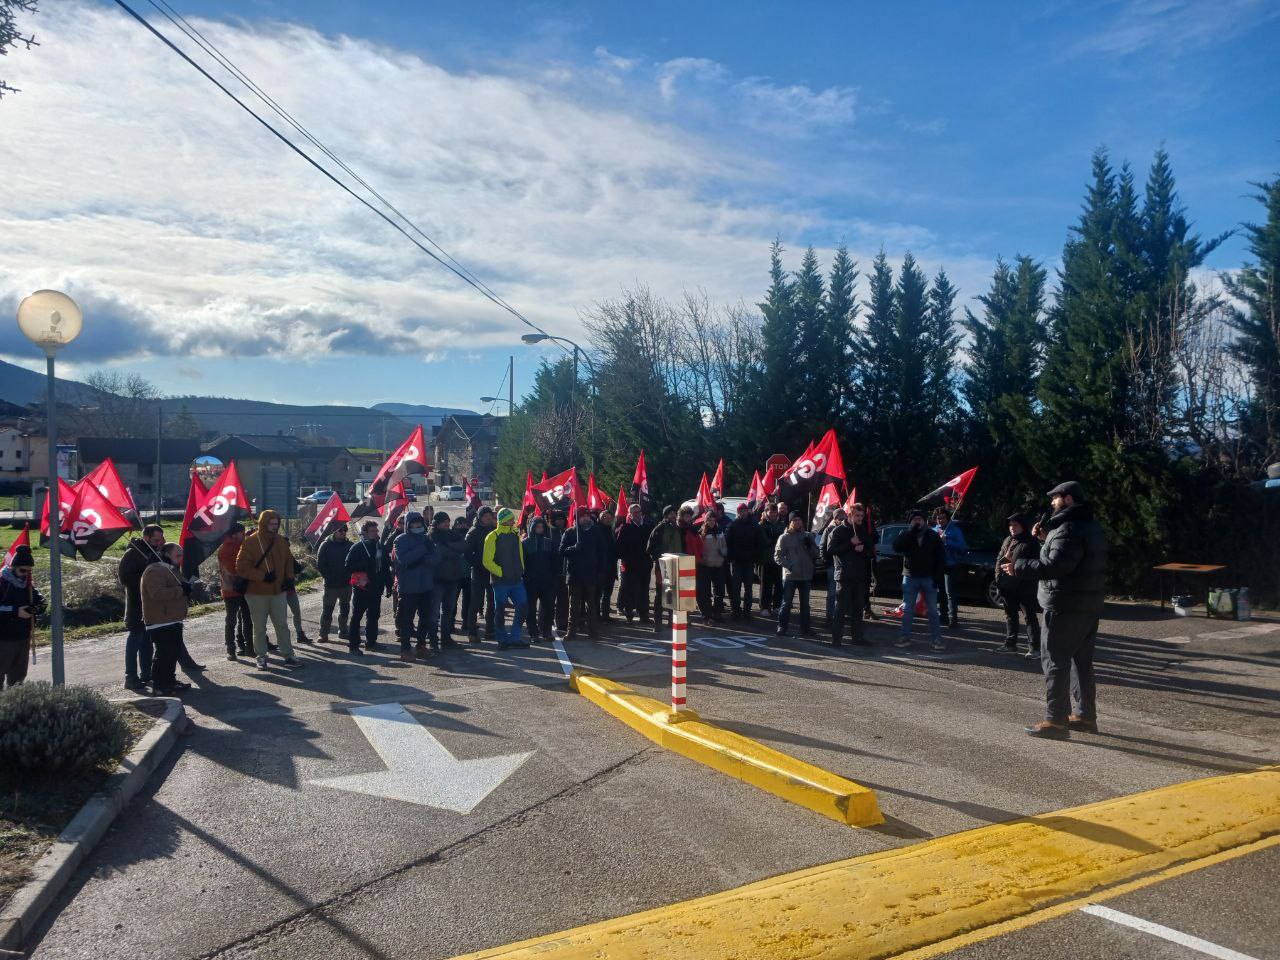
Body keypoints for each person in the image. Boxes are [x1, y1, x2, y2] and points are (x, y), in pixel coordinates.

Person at [1002, 481, 1108, 740]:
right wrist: (1045, 538)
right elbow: (1067, 559)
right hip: (1088, 604)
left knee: (1054, 661)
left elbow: (1055, 567)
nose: (1052, 503)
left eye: (1055, 498)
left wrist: (1019, 566)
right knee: (1080, 662)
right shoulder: (1091, 525)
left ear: (1068, 499)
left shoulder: (1067, 528)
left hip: (1064, 605)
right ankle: (1084, 716)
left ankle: (1056, 721)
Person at [236, 509, 300, 668]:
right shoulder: (250, 542)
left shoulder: (281, 541)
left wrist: (289, 579)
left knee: (282, 625)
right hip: (257, 593)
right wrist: (262, 576)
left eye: (276, 524)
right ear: (264, 523)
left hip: (279, 591)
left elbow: (288, 562)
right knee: (259, 627)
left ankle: (288, 655)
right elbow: (241, 567)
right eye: (271, 524)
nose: (274, 527)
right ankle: (261, 656)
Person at [141, 542, 192, 695]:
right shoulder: (154, 570)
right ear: (167, 555)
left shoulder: (169, 569)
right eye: (178, 555)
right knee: (163, 654)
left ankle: (169, 681)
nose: (181, 558)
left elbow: (178, 586)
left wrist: (186, 587)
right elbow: (157, 593)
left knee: (173, 652)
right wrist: (181, 590)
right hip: (160, 620)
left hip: (173, 618)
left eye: (182, 555)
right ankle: (159, 686)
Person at [892, 510, 946, 652]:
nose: (917, 521)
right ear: (910, 522)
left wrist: (938, 578)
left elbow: (941, 558)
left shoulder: (933, 536)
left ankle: (937, 639)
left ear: (925, 521)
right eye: (914, 519)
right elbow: (896, 547)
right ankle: (905, 637)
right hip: (910, 577)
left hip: (929, 577)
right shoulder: (905, 535)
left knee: (933, 610)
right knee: (908, 609)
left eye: (920, 519)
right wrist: (910, 532)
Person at [119, 524, 165, 690]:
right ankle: (130, 676)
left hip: (150, 605)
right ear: (146, 537)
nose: (158, 543)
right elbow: (124, 578)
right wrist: (145, 577)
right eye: (155, 540)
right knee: (135, 640)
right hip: (136, 605)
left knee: (147, 642)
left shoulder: (154, 552)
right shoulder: (132, 553)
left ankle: (147, 674)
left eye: (160, 540)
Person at [393, 510, 440, 661]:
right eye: (414, 523)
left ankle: (421, 645)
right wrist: (423, 551)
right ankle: (405, 649)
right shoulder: (400, 540)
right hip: (408, 587)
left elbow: (436, 559)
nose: (417, 525)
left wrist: (422, 558)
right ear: (408, 524)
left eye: (419, 522)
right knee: (407, 620)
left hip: (426, 585)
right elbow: (405, 560)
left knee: (425, 617)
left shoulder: (427, 539)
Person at [826, 503, 873, 647]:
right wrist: (850, 544)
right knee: (840, 608)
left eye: (861, 516)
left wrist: (862, 550)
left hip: (859, 575)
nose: (860, 518)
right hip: (844, 575)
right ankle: (836, 639)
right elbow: (830, 550)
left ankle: (857, 637)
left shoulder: (863, 530)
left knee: (858, 608)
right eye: (857, 516)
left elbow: (870, 551)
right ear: (850, 515)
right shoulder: (838, 530)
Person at [996, 513, 1041, 657]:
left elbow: (1036, 564)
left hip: (1025, 586)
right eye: (1010, 525)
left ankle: (1034, 648)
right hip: (1007, 585)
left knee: (1029, 617)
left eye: (1015, 525)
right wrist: (998, 579)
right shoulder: (1007, 540)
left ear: (1022, 526)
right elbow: (999, 560)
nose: (1012, 528)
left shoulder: (1031, 542)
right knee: (1010, 615)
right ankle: (1010, 644)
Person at [483, 507, 528, 648]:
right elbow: (487, 561)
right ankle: (502, 640)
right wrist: (501, 572)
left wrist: (521, 569)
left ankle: (514, 638)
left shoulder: (515, 535)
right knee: (500, 612)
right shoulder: (492, 537)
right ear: (504, 520)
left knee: (523, 606)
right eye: (510, 519)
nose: (513, 521)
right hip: (500, 582)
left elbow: (520, 554)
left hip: (516, 581)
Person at [559, 508, 608, 640]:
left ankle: (593, 632)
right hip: (574, 575)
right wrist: (574, 548)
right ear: (577, 518)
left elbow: (602, 553)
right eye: (583, 516)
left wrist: (601, 571)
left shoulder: (596, 531)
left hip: (591, 575)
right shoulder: (570, 532)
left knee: (591, 605)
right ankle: (571, 632)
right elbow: (562, 551)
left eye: (587, 516)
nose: (586, 518)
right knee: (573, 606)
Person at [0, 544, 43, 689]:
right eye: (23, 570)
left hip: (23, 638)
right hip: (4, 639)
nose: (26, 574)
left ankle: (15, 706)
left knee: (18, 678)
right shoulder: (2, 583)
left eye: (29, 571)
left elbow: (40, 602)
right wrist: (15, 611)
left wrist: (38, 607)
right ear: (13, 567)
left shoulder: (28, 585)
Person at [345, 519, 387, 654]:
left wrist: (389, 584)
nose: (375, 533)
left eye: (376, 530)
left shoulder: (380, 547)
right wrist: (364, 564)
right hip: (361, 589)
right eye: (372, 531)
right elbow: (348, 566)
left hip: (376, 588)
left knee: (374, 616)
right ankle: (353, 646)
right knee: (357, 617)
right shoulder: (357, 547)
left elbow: (385, 568)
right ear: (365, 532)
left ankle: (371, 642)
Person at [774, 512, 818, 638]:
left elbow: (816, 554)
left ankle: (806, 629)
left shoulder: (808, 535)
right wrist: (789, 566)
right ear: (790, 522)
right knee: (786, 603)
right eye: (795, 520)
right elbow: (778, 556)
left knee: (805, 605)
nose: (798, 522)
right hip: (790, 576)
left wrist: (809, 545)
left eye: (799, 520)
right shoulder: (784, 537)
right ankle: (782, 627)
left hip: (805, 576)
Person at [430, 512, 467, 647]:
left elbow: (464, 546)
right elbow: (439, 552)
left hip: (453, 578)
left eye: (447, 521)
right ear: (437, 523)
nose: (446, 523)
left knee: (448, 610)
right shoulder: (431, 536)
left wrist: (448, 546)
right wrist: (453, 549)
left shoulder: (453, 534)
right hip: (437, 579)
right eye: (443, 521)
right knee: (434, 612)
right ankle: (433, 638)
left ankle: (446, 638)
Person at [646, 504, 684, 634]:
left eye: (674, 513)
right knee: (659, 595)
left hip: (676, 565)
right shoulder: (659, 529)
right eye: (670, 513)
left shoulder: (678, 529)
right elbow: (650, 548)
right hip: (662, 566)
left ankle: (671, 620)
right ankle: (657, 623)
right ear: (666, 515)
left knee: (672, 594)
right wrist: (660, 557)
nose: (673, 516)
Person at [614, 503, 652, 623]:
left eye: (639, 512)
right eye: (634, 512)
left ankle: (644, 615)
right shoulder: (625, 528)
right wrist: (627, 558)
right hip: (631, 565)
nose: (637, 515)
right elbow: (619, 548)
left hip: (645, 565)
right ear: (630, 515)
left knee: (644, 590)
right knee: (630, 590)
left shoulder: (648, 527)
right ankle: (629, 614)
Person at [218, 523, 251, 660]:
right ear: (234, 534)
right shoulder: (226, 549)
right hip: (231, 589)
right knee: (232, 620)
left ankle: (247, 647)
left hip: (245, 587)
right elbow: (234, 569)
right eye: (242, 533)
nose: (244, 535)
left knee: (247, 619)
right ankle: (231, 649)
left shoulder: (242, 545)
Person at [521, 516, 557, 641]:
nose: (540, 529)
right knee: (530, 609)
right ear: (532, 527)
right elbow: (522, 563)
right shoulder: (525, 543)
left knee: (549, 607)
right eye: (537, 526)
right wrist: (525, 577)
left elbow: (554, 562)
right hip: (531, 581)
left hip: (547, 581)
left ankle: (546, 631)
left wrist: (553, 577)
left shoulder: (549, 542)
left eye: (542, 527)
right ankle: (533, 633)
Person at [725, 502, 763, 620]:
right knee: (735, 588)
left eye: (745, 510)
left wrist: (755, 556)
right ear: (738, 512)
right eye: (741, 511)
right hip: (736, 562)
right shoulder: (733, 525)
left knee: (749, 588)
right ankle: (736, 610)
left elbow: (760, 542)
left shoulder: (754, 525)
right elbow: (727, 543)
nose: (743, 513)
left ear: (748, 511)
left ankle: (747, 611)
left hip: (749, 561)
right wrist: (730, 558)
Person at [464, 506, 497, 642]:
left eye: (490, 515)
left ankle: (490, 630)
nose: (488, 518)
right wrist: (478, 563)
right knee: (476, 603)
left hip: (493, 571)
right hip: (478, 572)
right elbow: (466, 553)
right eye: (485, 516)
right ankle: (472, 632)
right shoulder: (473, 532)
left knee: (492, 603)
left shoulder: (494, 530)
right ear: (479, 517)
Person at [316, 523, 352, 644]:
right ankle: (323, 634)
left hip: (346, 583)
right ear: (333, 532)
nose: (342, 532)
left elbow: (354, 562)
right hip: (331, 585)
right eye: (340, 530)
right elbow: (320, 564)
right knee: (327, 610)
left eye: (344, 530)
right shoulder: (325, 545)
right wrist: (328, 577)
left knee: (345, 608)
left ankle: (343, 631)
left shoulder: (350, 545)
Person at [934, 508, 968, 629]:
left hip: (950, 565)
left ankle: (953, 619)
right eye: (938, 518)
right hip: (937, 566)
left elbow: (963, 547)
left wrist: (946, 541)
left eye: (943, 517)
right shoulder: (934, 530)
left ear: (948, 518)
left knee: (950, 593)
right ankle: (942, 616)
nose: (941, 520)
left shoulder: (954, 530)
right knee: (940, 592)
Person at [696, 511, 728, 623]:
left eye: (714, 520)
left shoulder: (720, 532)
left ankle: (717, 613)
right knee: (705, 591)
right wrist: (703, 559)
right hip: (705, 566)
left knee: (719, 591)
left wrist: (723, 553)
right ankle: (707, 614)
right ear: (706, 521)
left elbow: (724, 547)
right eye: (710, 520)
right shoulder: (701, 534)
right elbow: (699, 550)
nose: (712, 522)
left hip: (718, 565)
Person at [758, 502, 785, 617]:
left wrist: (775, 540)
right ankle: (764, 606)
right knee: (765, 584)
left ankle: (777, 606)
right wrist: (773, 540)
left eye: (775, 512)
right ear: (766, 512)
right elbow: (763, 541)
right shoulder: (761, 525)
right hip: (766, 559)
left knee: (779, 584)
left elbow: (783, 540)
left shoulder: (782, 524)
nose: (773, 514)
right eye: (771, 512)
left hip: (779, 559)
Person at [819, 508, 846, 625]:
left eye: (844, 518)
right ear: (835, 519)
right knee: (832, 593)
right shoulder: (829, 529)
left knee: (842, 593)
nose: (843, 520)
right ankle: (830, 617)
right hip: (832, 565)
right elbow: (822, 547)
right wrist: (826, 561)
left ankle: (840, 616)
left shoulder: (847, 530)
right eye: (840, 518)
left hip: (844, 565)